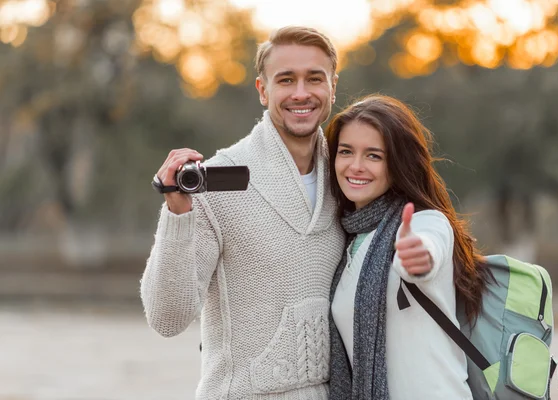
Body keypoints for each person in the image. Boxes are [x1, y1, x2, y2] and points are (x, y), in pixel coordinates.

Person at [140, 26, 346, 399]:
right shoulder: (217, 181)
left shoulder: (348, 178)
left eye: (314, 78)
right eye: (286, 80)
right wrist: (177, 213)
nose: (301, 93)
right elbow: (167, 318)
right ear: (263, 90)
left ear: (332, 85)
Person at [325, 95, 491, 400]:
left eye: (374, 156)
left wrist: (417, 257)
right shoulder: (347, 241)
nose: (356, 166)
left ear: (398, 163)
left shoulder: (426, 222)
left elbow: (427, 249)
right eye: (346, 151)